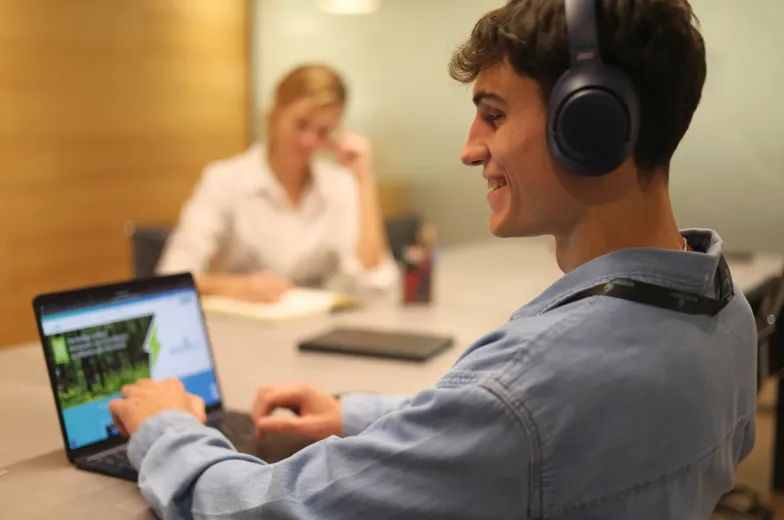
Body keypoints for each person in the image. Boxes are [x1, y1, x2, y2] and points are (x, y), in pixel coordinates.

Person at [110, 1, 758, 518]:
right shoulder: (722, 312)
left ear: (589, 125)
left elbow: (254, 508)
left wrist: (167, 429)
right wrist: (354, 418)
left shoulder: (528, 394)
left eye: (494, 115)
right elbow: (530, 436)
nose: (470, 150)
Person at [156, 64, 398, 302]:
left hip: (313, 330)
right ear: (275, 114)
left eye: (323, 131)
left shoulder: (337, 185)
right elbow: (171, 277)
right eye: (300, 124)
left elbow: (375, 284)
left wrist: (364, 182)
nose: (308, 140)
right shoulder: (224, 181)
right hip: (238, 331)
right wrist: (234, 287)